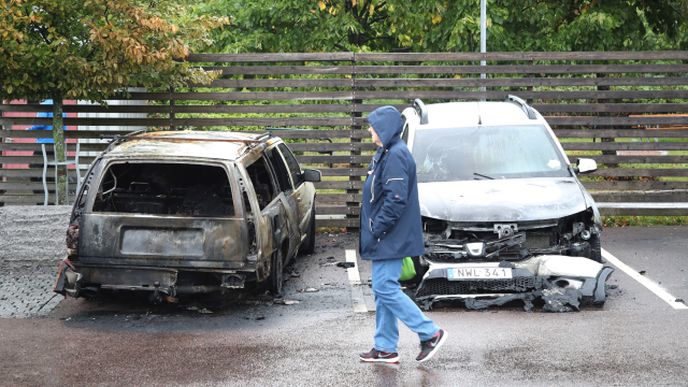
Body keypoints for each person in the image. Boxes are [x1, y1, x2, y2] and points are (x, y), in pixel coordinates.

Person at [358, 105, 447, 364]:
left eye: (372, 126)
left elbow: (395, 199)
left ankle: (430, 333)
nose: (369, 130)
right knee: (382, 290)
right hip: (386, 236)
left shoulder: (395, 155)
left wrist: (377, 229)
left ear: (384, 128)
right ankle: (385, 347)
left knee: (385, 287)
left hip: (389, 236)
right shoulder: (385, 153)